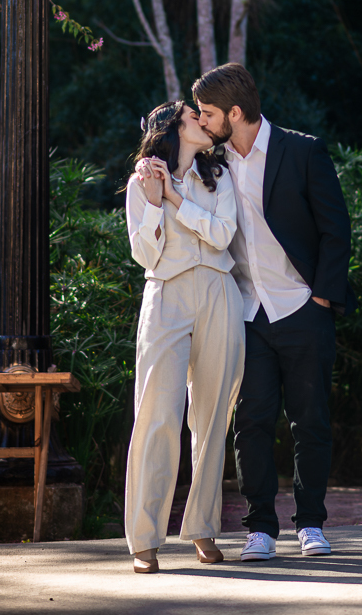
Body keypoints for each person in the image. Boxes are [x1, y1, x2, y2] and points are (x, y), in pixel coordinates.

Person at [192, 63, 352, 562]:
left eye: (208, 112)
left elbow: (335, 228)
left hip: (302, 307)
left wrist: (322, 296)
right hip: (245, 313)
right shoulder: (210, 162)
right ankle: (260, 527)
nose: (201, 121)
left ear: (234, 113)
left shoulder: (302, 150)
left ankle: (311, 525)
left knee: (310, 422)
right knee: (252, 421)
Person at [123, 100, 245, 574]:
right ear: (176, 127)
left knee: (213, 417)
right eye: (196, 116)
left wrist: (175, 199)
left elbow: (222, 235)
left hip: (218, 290)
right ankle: (145, 536)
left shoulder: (220, 176)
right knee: (157, 414)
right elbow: (145, 255)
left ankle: (202, 527)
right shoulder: (141, 182)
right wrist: (155, 200)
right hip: (166, 293)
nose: (204, 119)